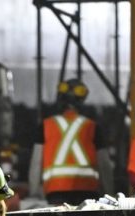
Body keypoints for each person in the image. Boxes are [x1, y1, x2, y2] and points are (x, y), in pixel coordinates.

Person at [39, 77, 102, 205]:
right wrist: (108, 192)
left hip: (55, 192)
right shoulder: (92, 127)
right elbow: (104, 164)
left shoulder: (45, 125)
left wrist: (35, 192)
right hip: (87, 191)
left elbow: (36, 162)